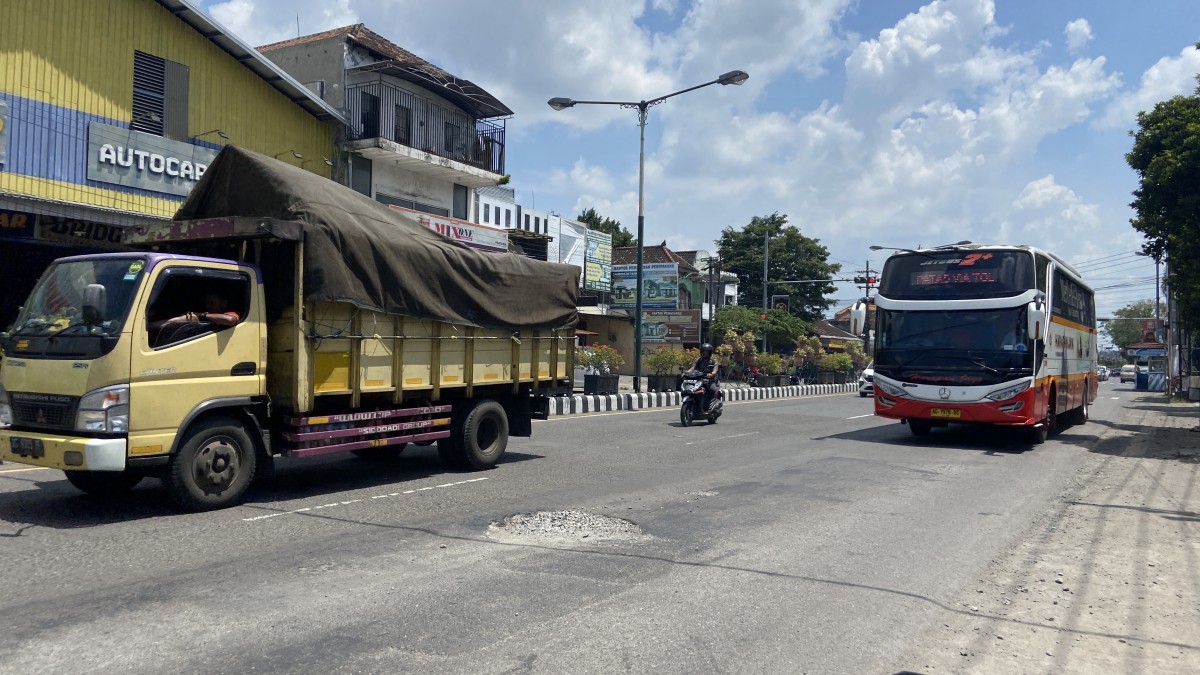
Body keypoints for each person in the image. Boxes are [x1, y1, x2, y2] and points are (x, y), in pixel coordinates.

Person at [150, 292, 240, 343]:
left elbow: (230, 320)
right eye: (207, 303)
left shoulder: (230, 313)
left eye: (211, 302)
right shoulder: (209, 315)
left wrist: (202, 315)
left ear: (223, 303)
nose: (208, 305)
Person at [689, 343, 722, 411]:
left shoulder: (713, 360)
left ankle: (709, 405)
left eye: (706, 351)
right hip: (699, 379)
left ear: (709, 352)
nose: (705, 353)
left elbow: (715, 370)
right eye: (703, 351)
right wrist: (686, 373)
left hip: (710, 380)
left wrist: (712, 374)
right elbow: (692, 368)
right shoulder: (698, 360)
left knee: (712, 390)